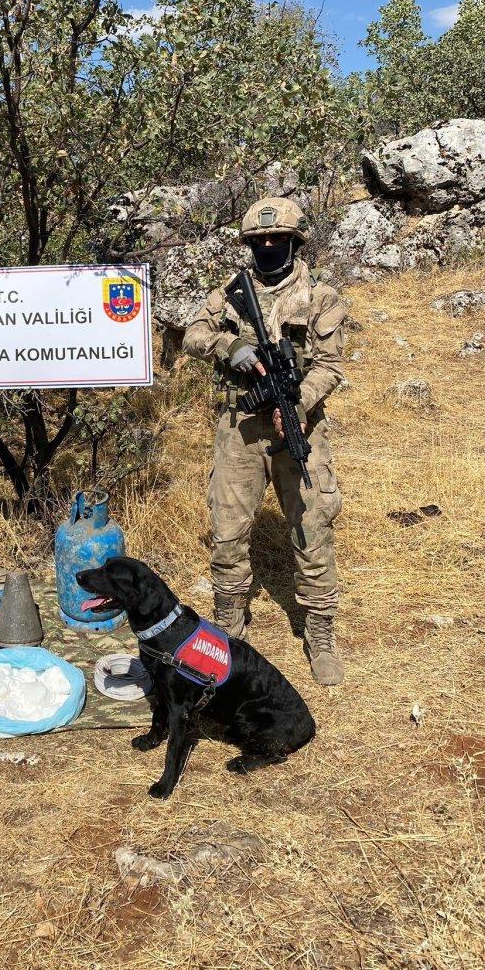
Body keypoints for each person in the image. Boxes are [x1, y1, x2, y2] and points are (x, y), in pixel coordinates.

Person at [183, 198, 347, 685]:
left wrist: (297, 404)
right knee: (229, 529)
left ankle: (320, 632)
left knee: (311, 526)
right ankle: (229, 627)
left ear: (296, 242)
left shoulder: (321, 297)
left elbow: (330, 367)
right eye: (260, 241)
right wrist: (227, 345)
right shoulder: (231, 293)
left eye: (278, 240)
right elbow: (192, 333)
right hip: (240, 428)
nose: (269, 246)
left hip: (299, 423)